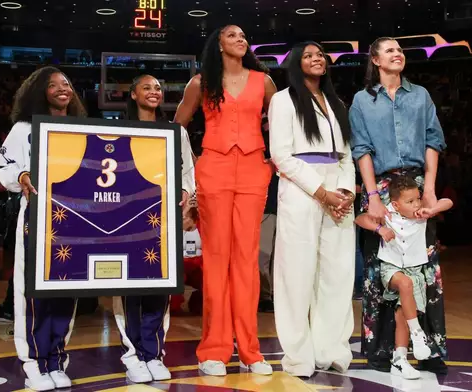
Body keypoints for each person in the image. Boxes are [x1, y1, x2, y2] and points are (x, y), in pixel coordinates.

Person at [174, 24, 277, 376]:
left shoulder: (263, 81)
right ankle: (213, 350)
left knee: (246, 259)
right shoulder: (201, 83)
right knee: (216, 260)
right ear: (218, 43)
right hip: (213, 169)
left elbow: (278, 124)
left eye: (244, 36)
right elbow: (178, 127)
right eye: (233, 35)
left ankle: (250, 351)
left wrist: (271, 162)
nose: (241, 39)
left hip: (253, 170)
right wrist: (187, 174)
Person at [349, 37, 449, 375]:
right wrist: (373, 197)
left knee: (424, 267)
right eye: (390, 50)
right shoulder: (363, 100)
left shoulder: (420, 95)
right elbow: (361, 149)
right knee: (380, 270)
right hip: (379, 186)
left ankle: (429, 348)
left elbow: (433, 141)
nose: (397, 54)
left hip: (417, 185)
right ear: (375, 60)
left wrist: (431, 189)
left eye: (400, 50)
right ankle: (383, 350)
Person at [268, 41, 355, 377]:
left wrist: (344, 191)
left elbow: (346, 152)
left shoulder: (336, 102)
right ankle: (298, 354)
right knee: (297, 273)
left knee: (337, 272)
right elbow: (281, 155)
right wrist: (321, 192)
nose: (317, 58)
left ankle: (331, 348)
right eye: (309, 55)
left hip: (337, 187)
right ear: (295, 63)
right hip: (302, 188)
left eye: (320, 55)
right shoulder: (283, 100)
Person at [0, 66, 87, 391]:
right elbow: (3, 168)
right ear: (41, 91)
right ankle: (34, 362)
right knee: (34, 295)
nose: (63, 89)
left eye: (66, 83)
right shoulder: (24, 129)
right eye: (54, 85)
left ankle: (57, 359)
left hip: (77, 220)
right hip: (38, 218)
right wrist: (21, 176)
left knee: (67, 291)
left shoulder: (83, 128)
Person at [112, 74, 196, 383]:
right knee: (129, 289)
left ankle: (154, 352)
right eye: (146, 87)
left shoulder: (176, 132)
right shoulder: (118, 131)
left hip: (164, 219)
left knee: (161, 288)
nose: (154, 92)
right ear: (132, 94)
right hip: (127, 219)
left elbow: (188, 170)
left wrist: (187, 194)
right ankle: (133, 354)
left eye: (158, 88)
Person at [355, 176, 453, 379]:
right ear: (396, 205)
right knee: (404, 284)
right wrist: (380, 229)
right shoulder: (388, 213)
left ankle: (399, 358)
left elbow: (448, 202)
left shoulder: (422, 214)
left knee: (402, 316)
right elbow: (360, 218)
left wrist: (431, 209)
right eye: (410, 202)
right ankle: (417, 333)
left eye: (417, 199)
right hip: (391, 269)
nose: (416, 204)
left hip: (415, 271)